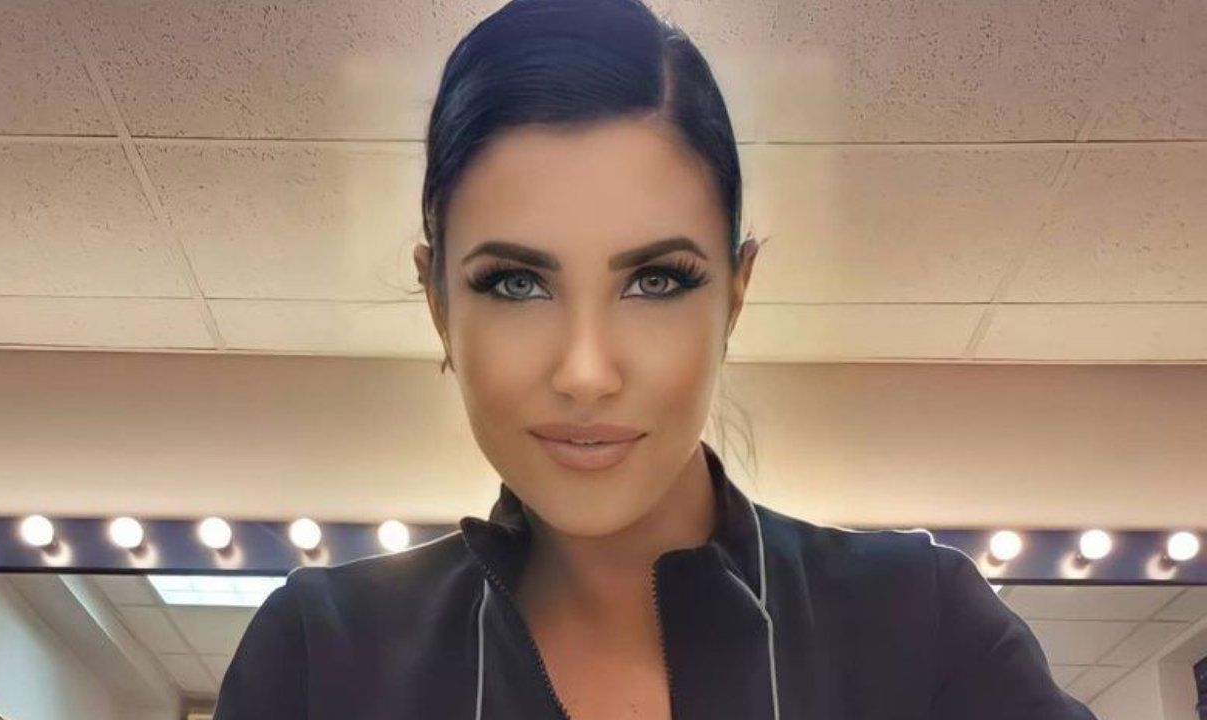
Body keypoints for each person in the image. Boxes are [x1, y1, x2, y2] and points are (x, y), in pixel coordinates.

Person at [212, 0, 1098, 717]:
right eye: (516, 283)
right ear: (439, 302)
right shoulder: (320, 654)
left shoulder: (920, 625)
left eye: (656, 281)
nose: (587, 371)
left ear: (735, 295)